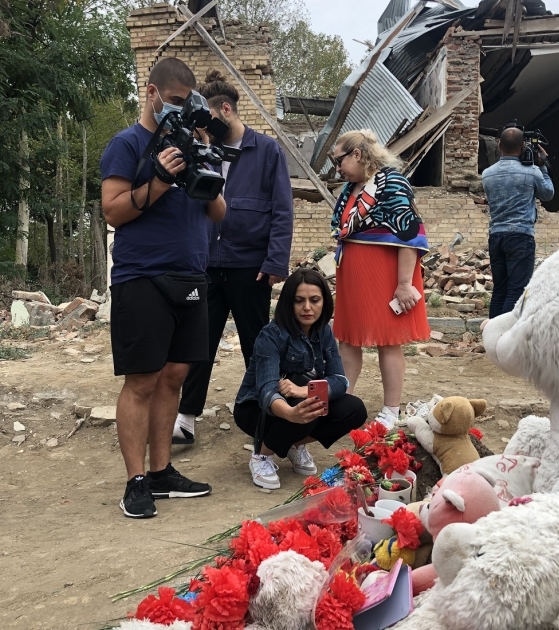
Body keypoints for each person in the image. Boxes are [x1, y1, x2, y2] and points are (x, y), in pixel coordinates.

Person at [100, 57, 227, 519]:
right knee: (142, 380)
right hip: (142, 277)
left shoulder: (192, 144)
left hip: (193, 275)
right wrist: (158, 179)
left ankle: (162, 472)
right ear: (152, 93)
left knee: (174, 376)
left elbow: (219, 214)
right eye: (174, 101)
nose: (180, 109)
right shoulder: (127, 144)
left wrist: (203, 157)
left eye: (187, 102)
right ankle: (135, 481)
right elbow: (113, 211)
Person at [173, 70, 294, 445]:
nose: (201, 128)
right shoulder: (200, 149)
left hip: (250, 267)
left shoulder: (267, 150)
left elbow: (282, 209)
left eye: (208, 119)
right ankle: (186, 418)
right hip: (207, 265)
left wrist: (275, 263)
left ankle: (264, 416)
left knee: (257, 345)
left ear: (225, 110)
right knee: (198, 343)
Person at [329, 129, 430, 430]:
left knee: (388, 342)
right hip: (353, 276)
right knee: (348, 340)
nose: (337, 168)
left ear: (357, 155)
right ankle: (343, 401)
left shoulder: (393, 184)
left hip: (384, 275)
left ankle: (391, 410)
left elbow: (409, 236)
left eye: (339, 161)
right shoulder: (352, 188)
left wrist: (403, 284)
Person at [233, 269, 368, 490]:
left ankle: (293, 444)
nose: (307, 307)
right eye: (299, 301)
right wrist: (291, 414)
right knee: (308, 408)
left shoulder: (323, 332)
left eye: (314, 300)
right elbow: (266, 388)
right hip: (256, 410)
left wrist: (304, 391)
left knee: (354, 409)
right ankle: (262, 455)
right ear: (288, 303)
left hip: (298, 401)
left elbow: (340, 380)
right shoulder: (271, 335)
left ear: (324, 302)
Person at [481, 126, 555, 318]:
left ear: (499, 145)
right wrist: (542, 165)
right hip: (520, 236)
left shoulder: (487, 173)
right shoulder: (532, 172)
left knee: (500, 290)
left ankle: (491, 339)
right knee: (516, 291)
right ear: (523, 146)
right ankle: (504, 337)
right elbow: (548, 194)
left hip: (496, 235)